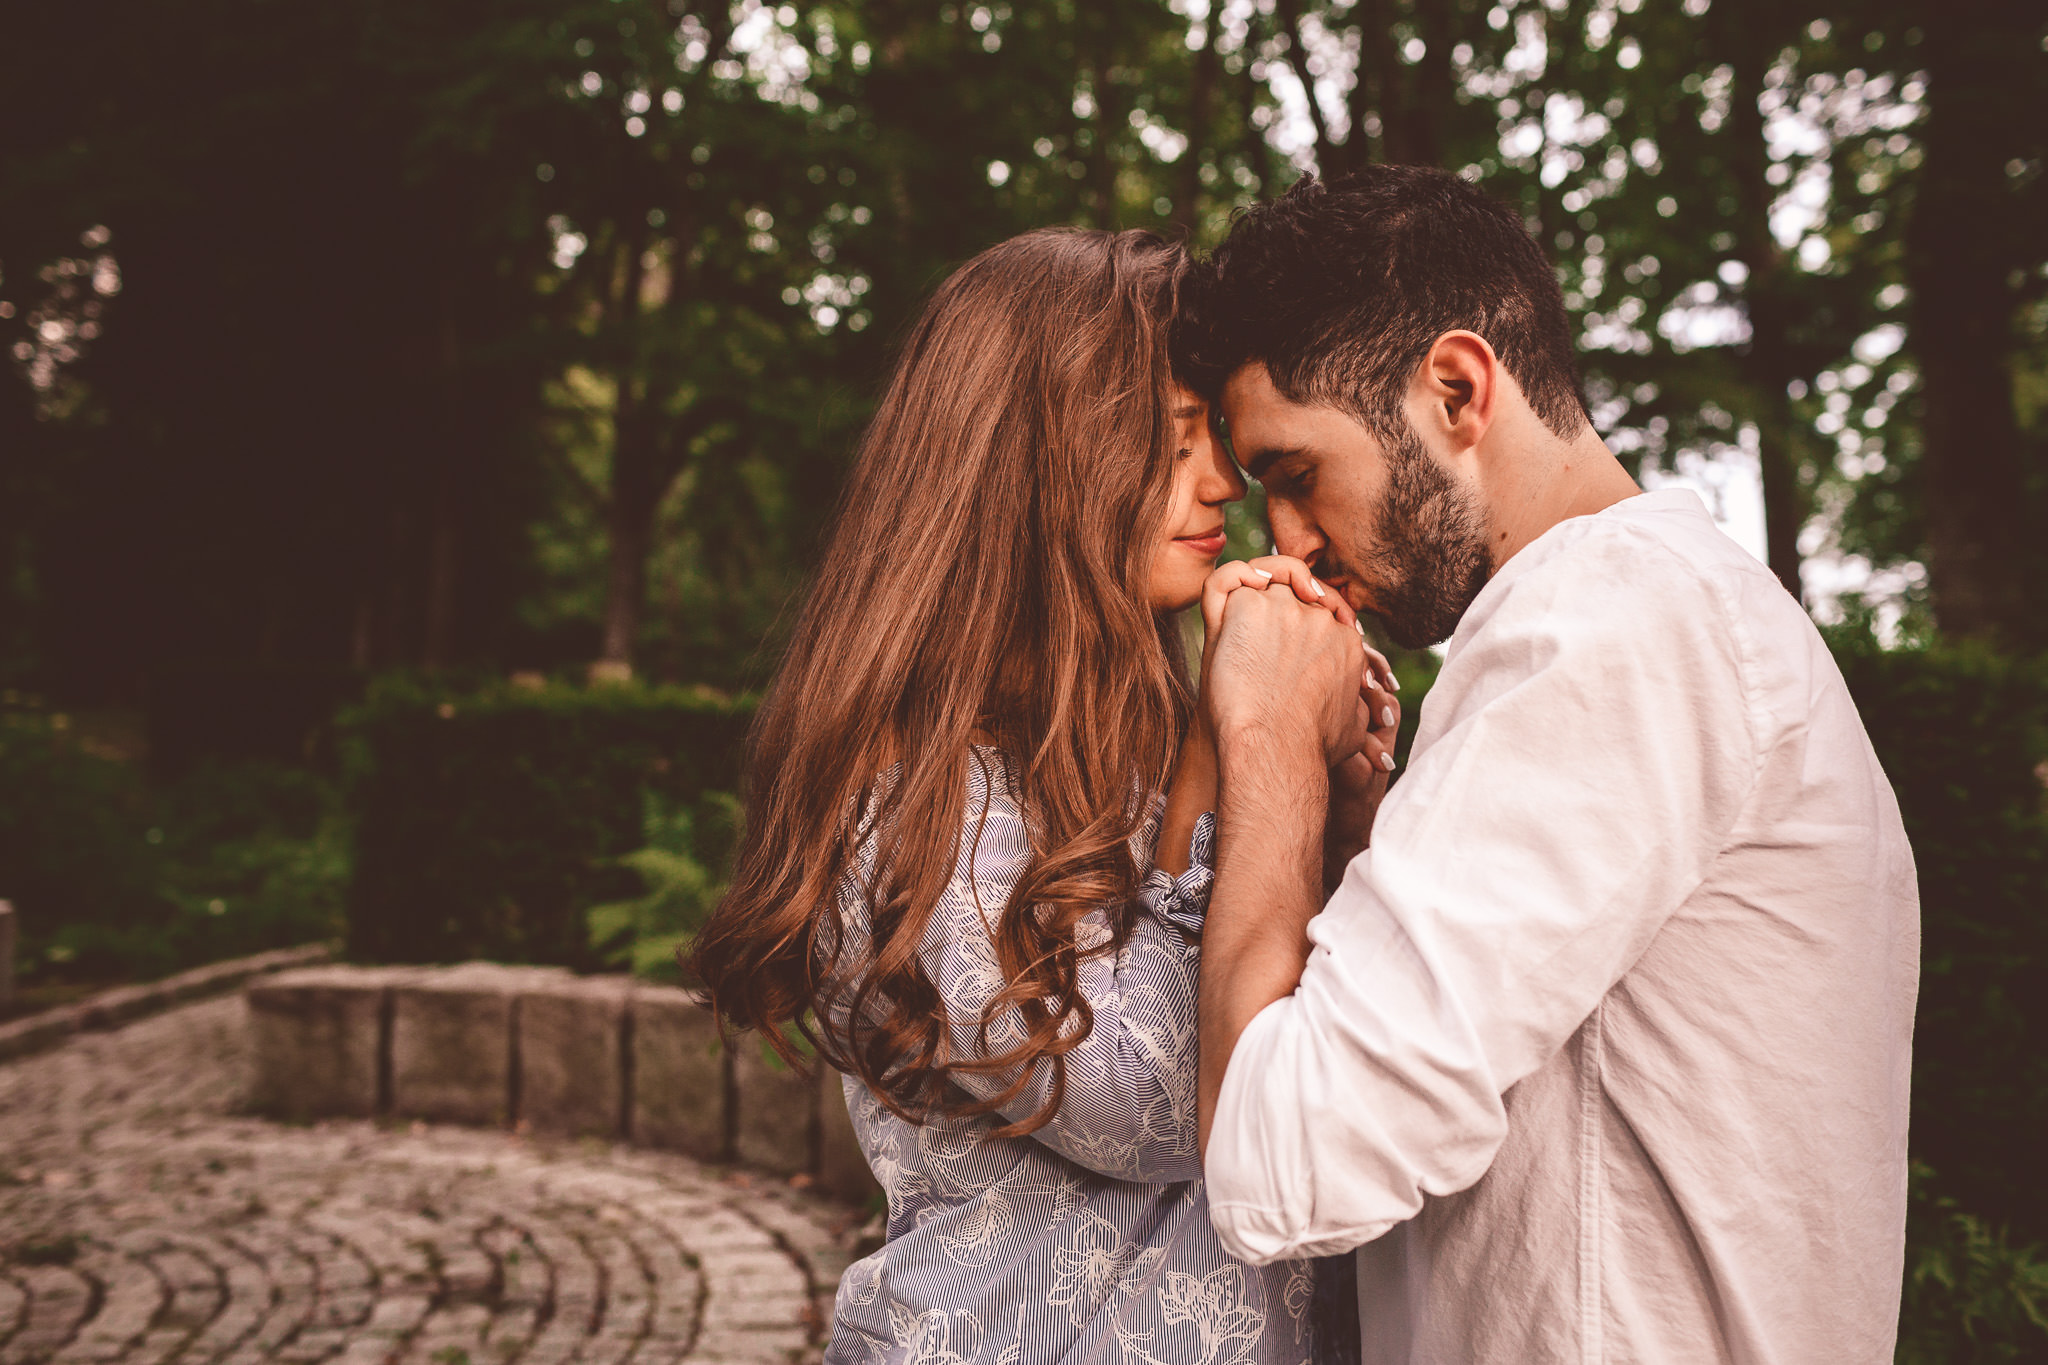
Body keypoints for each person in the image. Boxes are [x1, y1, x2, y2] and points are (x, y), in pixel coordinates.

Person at [1176, 166, 1920, 1363]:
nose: (1291, 551)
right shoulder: (1673, 618)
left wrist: (1260, 742)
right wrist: (1357, 841)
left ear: (1457, 390)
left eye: (1296, 476)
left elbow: (1286, 1160)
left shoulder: (1604, 620)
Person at [688, 227, 1398, 1365]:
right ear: (1042, 464)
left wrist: (1336, 799)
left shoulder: (1137, 745)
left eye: (1213, 438)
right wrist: (1243, 747)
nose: (1221, 481)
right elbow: (1165, 1105)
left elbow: (1331, 1066)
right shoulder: (912, 796)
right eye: (1174, 443)